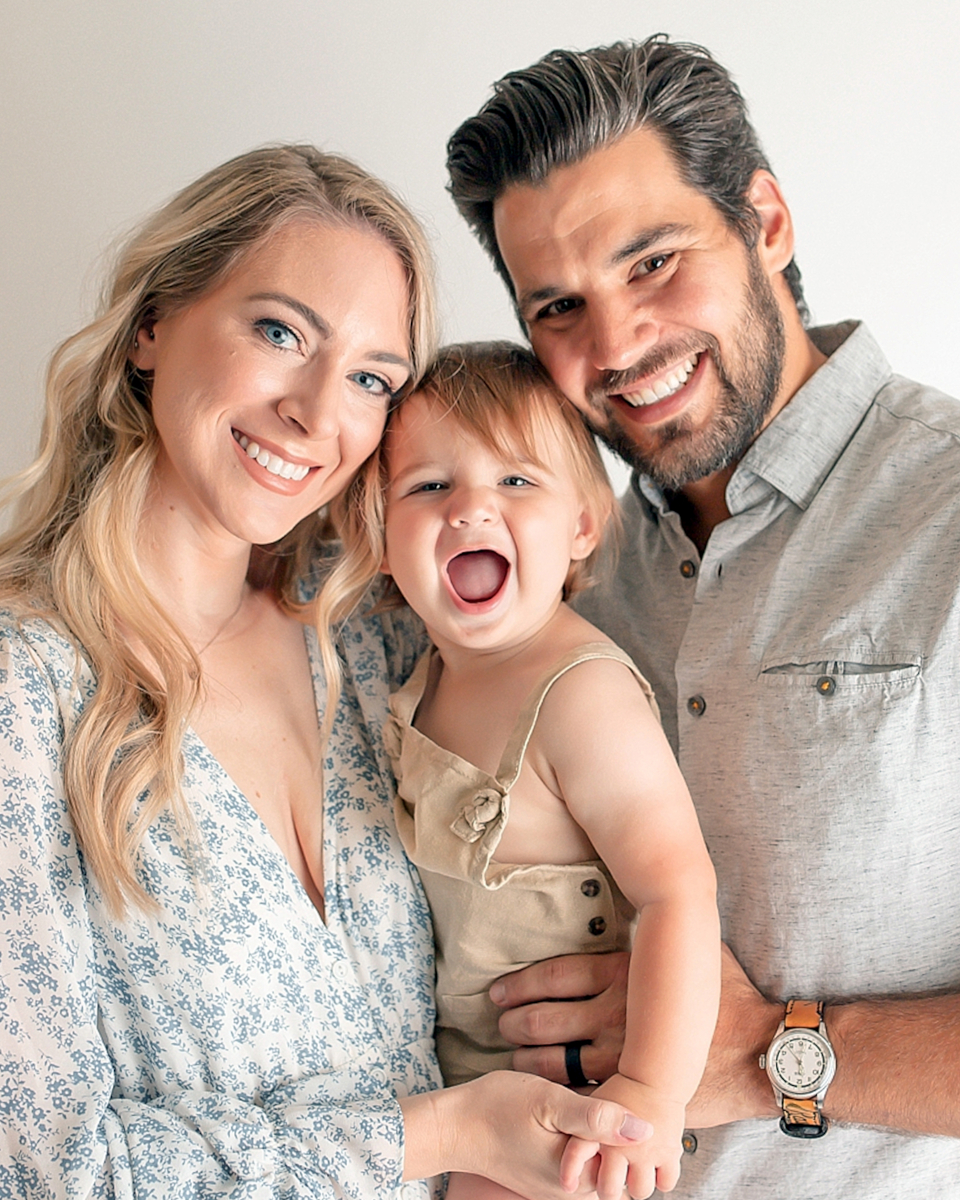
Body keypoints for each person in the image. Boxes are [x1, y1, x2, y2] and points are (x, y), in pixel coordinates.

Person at [0, 144, 651, 1200]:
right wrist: (433, 1136)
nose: (316, 410)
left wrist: (633, 990)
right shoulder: (26, 690)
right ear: (154, 325)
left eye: (368, 379)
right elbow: (40, 1169)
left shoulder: (373, 643)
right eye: (278, 332)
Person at [444, 34, 960, 1200]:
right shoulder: (558, 580)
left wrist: (774, 1051)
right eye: (560, 306)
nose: (616, 345)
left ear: (767, 223)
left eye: (653, 262)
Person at [320, 341, 720, 1199]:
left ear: (581, 523)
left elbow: (676, 891)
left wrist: (651, 1092)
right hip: (468, 1084)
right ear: (380, 538)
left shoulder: (581, 696)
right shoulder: (419, 677)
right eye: (429, 487)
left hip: (577, 1102)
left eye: (516, 482)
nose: (470, 511)